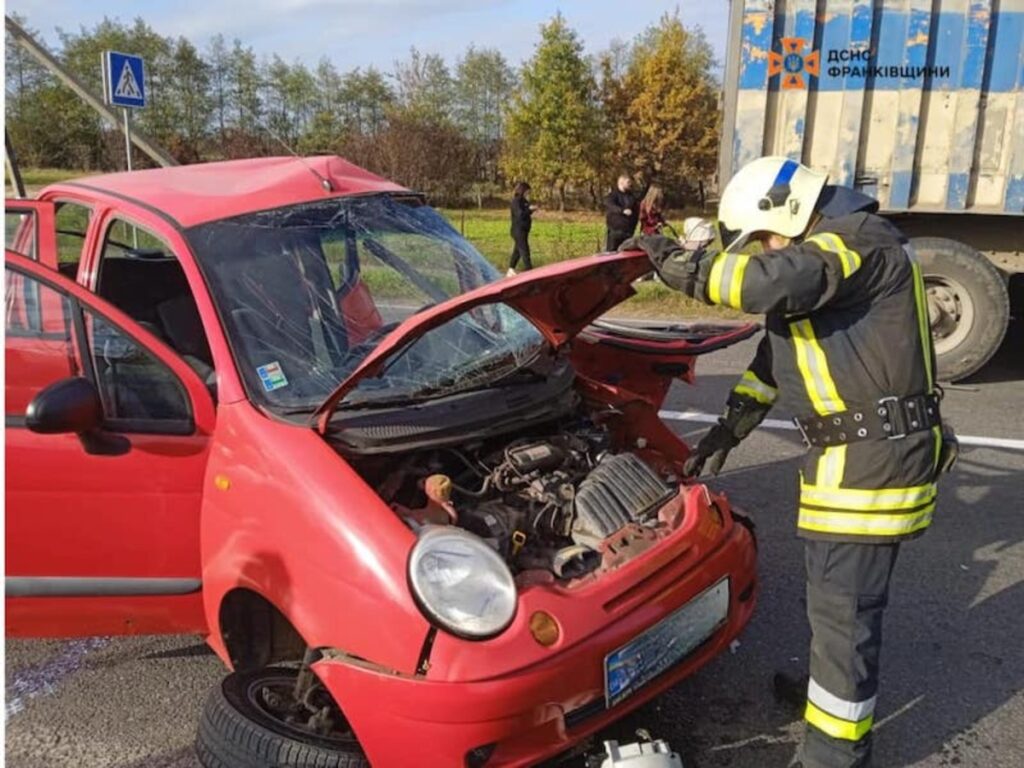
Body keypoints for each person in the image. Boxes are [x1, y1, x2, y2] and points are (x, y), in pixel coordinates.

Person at [623, 156, 956, 768]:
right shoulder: (827, 271)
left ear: (788, 211)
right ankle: (833, 696)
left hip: (868, 468)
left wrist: (678, 265)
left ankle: (834, 753)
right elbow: (773, 368)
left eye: (764, 238)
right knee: (836, 611)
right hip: (861, 459)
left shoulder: (857, 244)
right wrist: (728, 430)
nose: (764, 251)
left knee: (844, 614)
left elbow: (763, 283)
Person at [508, 181, 536, 275]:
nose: (529, 194)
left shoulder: (524, 201)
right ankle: (529, 271)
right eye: (527, 191)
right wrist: (529, 210)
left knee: (517, 251)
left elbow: (526, 212)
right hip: (518, 230)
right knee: (525, 251)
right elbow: (520, 215)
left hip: (524, 230)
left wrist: (531, 210)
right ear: (523, 190)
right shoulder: (516, 201)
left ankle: (511, 269)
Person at [605, 174, 639, 251]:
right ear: (621, 182)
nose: (630, 184)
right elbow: (610, 205)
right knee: (611, 253)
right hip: (614, 231)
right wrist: (622, 211)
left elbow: (636, 212)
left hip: (628, 232)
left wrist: (633, 227)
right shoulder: (613, 195)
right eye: (628, 182)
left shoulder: (632, 197)